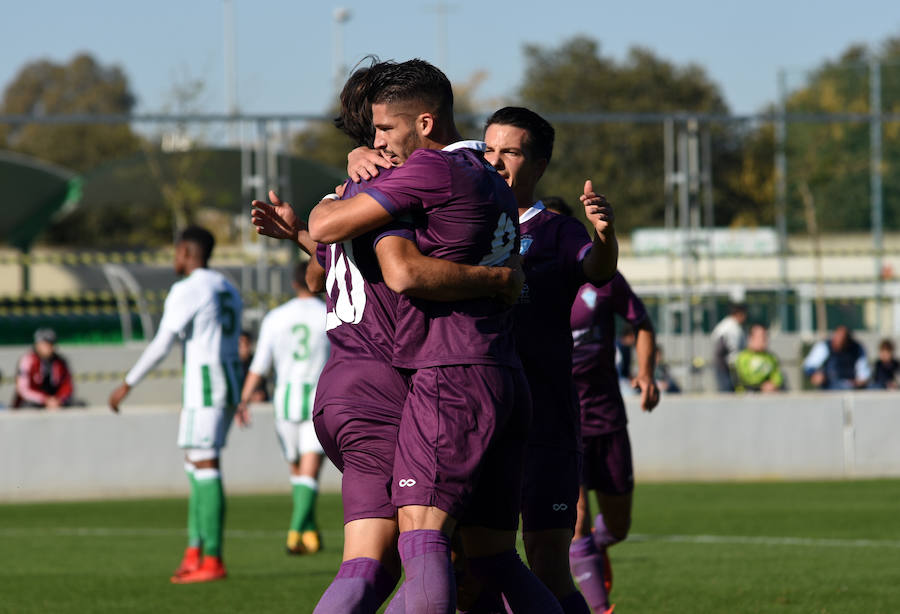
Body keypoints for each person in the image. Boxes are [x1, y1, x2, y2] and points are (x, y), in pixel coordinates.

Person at [251, 59, 527, 614]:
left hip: (391, 380)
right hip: (446, 377)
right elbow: (375, 265)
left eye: (382, 130)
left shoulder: (398, 187)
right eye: (371, 133)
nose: (377, 140)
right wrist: (500, 278)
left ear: (422, 123)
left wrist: (326, 208)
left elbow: (336, 267)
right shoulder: (475, 176)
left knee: (382, 563)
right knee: (471, 558)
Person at [478, 107, 617, 613]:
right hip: (475, 419)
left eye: (510, 152)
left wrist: (605, 236)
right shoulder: (460, 225)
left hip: (543, 420)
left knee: (546, 562)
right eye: (488, 149)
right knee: (469, 568)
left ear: (538, 165)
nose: (495, 161)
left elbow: (596, 270)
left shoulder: (557, 231)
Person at [108, 225, 242, 584]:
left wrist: (127, 383)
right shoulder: (226, 285)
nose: (174, 258)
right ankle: (195, 551)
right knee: (195, 462)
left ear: (185, 251)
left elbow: (162, 342)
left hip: (206, 385)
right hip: (226, 382)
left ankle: (212, 559)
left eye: (175, 251)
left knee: (206, 463)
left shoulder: (189, 288)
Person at [568, 272, 659, 614]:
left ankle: (596, 542)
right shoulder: (532, 273)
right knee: (575, 522)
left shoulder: (603, 277)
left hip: (607, 418)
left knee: (618, 526)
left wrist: (646, 373)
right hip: (560, 420)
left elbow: (643, 322)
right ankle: (601, 609)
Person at [238, 261, 330, 554]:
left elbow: (260, 365)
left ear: (293, 284)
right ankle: (308, 529)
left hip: (285, 403)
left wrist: (243, 399)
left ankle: (294, 533)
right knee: (307, 473)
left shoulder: (275, 317)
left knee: (299, 471)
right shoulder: (330, 313)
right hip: (321, 400)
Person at [12, 328, 74, 409]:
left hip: (55, 402)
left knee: (78, 405)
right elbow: (23, 390)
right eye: (45, 344)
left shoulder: (60, 362)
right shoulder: (27, 360)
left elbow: (67, 386)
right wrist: (45, 400)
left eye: (51, 344)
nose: (49, 347)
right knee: (28, 407)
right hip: (34, 402)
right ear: (37, 345)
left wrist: (58, 400)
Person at [802, 324, 870, 390]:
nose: (838, 342)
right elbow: (808, 366)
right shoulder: (824, 346)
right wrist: (815, 374)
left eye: (843, 340)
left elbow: (863, 373)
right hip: (829, 386)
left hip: (851, 387)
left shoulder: (857, 349)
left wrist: (859, 381)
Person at [734, 324, 785, 393]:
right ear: (750, 338)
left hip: (769, 394)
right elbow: (745, 379)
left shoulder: (771, 357)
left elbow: (777, 376)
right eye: (760, 337)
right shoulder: (743, 357)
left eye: (765, 337)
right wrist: (762, 386)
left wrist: (773, 384)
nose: (764, 340)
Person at [710, 303, 748, 392]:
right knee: (727, 391)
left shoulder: (725, 324)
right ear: (739, 314)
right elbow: (733, 350)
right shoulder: (732, 328)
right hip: (724, 365)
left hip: (721, 364)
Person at [238, 330, 268, 402]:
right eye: (240, 345)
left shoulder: (256, 364)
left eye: (246, 344)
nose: (243, 348)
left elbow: (261, 394)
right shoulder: (232, 366)